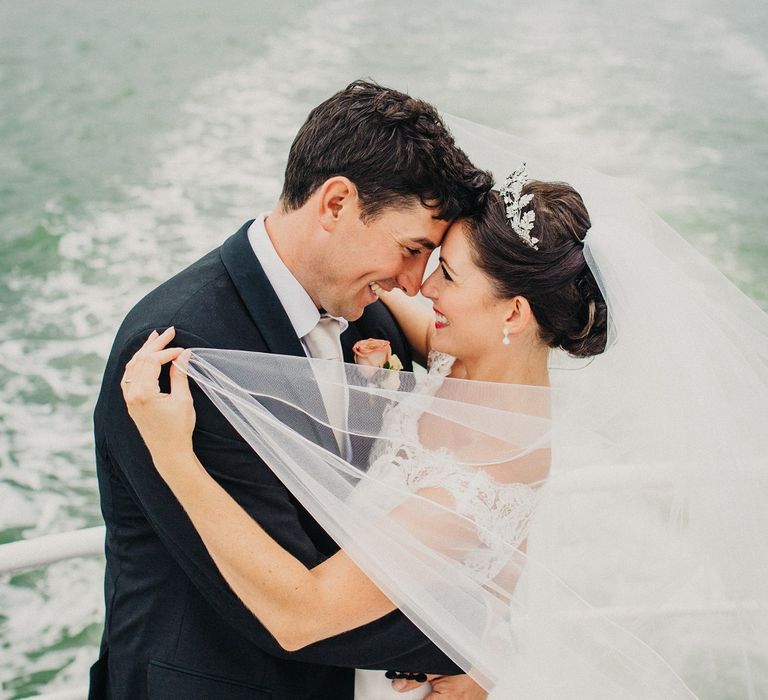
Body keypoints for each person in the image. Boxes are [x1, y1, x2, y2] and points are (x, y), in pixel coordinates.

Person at [123, 141, 768, 699]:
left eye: (446, 274)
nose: (420, 285)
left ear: (513, 315)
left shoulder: (466, 487)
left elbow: (302, 613)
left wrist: (173, 454)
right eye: (428, 260)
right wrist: (377, 390)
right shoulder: (469, 358)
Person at [91, 80, 492, 700]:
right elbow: (282, 600)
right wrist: (467, 646)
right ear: (336, 204)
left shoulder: (373, 315)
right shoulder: (180, 351)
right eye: (411, 249)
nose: (414, 283)